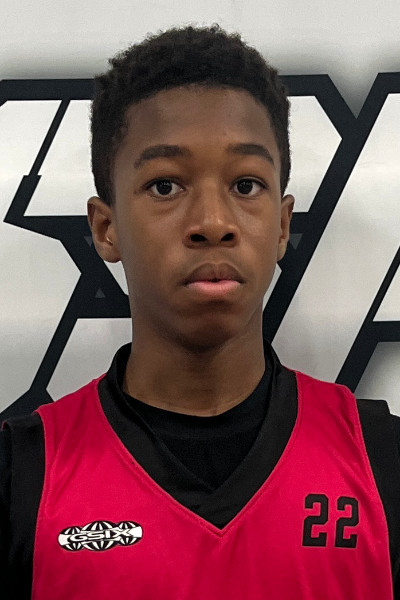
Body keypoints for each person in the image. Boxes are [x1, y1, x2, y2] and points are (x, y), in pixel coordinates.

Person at [1, 24, 400, 599]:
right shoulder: (22, 477)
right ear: (106, 229)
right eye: (166, 186)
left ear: (282, 225)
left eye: (246, 184)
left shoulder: (381, 463)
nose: (213, 222)